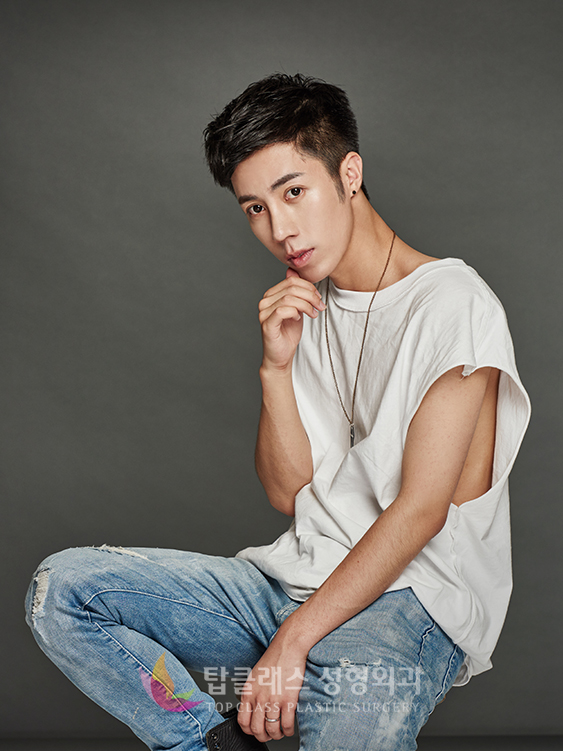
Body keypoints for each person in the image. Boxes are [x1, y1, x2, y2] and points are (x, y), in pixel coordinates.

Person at [26, 73, 531, 750]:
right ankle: (206, 742)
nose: (279, 228)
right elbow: (290, 493)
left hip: (408, 605)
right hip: (290, 585)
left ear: (348, 174)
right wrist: (275, 366)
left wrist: (291, 644)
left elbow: (420, 511)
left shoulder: (454, 303)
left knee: (346, 730)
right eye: (255, 208)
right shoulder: (307, 306)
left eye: (294, 192)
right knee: (64, 589)